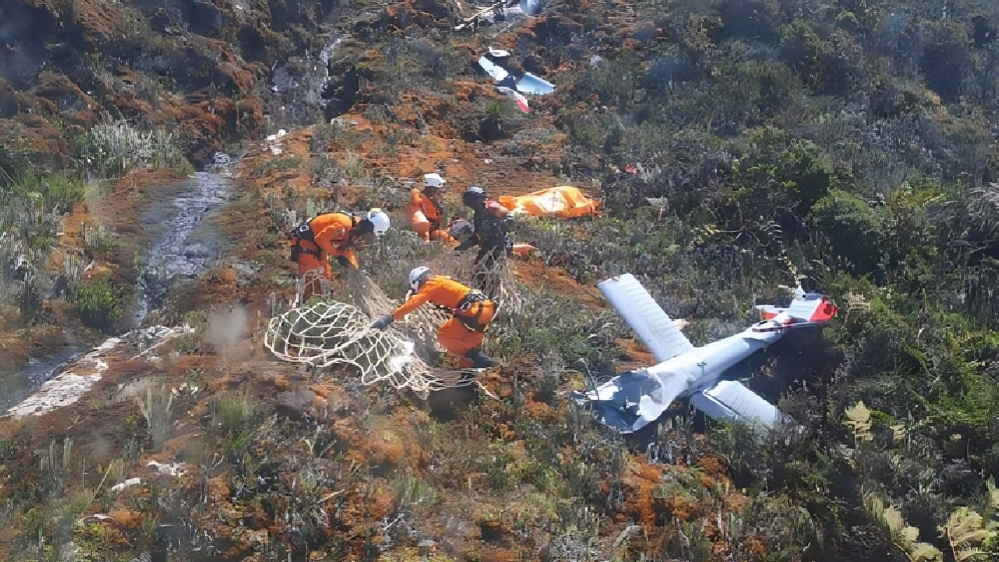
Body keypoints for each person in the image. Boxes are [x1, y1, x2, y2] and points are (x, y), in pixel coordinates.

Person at [370, 266, 497, 368]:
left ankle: (478, 359)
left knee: (444, 336)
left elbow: (414, 302)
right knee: (466, 348)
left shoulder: (431, 284)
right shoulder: (442, 281)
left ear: (418, 282)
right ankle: (482, 369)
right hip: (486, 310)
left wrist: (390, 318)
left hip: (473, 311)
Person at [289, 208, 390, 302]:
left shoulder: (354, 230)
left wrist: (355, 268)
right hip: (306, 244)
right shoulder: (343, 225)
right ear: (369, 228)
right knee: (312, 283)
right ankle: (307, 311)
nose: (370, 237)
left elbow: (345, 250)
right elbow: (320, 238)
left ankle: (321, 309)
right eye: (371, 233)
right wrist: (337, 254)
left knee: (326, 281)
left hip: (319, 249)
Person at [454, 186, 512, 296]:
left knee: (487, 272)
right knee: (478, 272)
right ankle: (483, 295)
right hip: (488, 246)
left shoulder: (491, 208)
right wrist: (462, 247)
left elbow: (509, 217)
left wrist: (503, 226)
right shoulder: (478, 216)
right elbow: (477, 236)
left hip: (499, 247)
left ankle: (490, 297)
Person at [406, 173, 455, 244]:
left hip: (432, 231)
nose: (439, 190)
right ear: (433, 188)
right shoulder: (420, 199)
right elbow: (420, 221)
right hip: (424, 234)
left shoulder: (430, 199)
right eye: (437, 188)